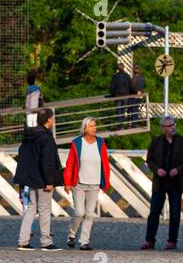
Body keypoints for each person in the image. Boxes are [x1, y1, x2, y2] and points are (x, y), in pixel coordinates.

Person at [13, 107, 63, 250]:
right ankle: (46, 242)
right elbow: (47, 161)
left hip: (29, 179)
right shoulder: (46, 138)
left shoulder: (28, 137)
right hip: (42, 180)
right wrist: (49, 181)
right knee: (45, 209)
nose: (53, 120)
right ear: (48, 120)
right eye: (52, 118)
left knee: (30, 209)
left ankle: (23, 241)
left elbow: (22, 160)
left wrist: (22, 185)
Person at [142, 116, 183, 251]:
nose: (173, 127)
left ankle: (172, 241)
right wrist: (157, 170)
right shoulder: (156, 142)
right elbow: (149, 160)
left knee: (175, 213)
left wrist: (178, 170)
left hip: (176, 182)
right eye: (169, 126)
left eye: (173, 124)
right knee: (154, 212)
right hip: (160, 182)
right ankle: (149, 240)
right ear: (163, 128)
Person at [63, 117, 111, 250]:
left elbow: (105, 164)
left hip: (94, 184)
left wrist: (106, 182)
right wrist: (67, 182)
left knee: (89, 214)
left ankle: (84, 241)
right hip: (78, 183)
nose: (94, 128)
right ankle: (72, 234)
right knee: (79, 212)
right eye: (91, 126)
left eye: (95, 126)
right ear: (85, 128)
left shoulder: (100, 143)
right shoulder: (77, 143)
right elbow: (70, 164)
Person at [110, 64, 133, 128]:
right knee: (123, 110)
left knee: (118, 110)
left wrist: (112, 94)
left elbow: (112, 87)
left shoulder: (115, 76)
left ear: (118, 69)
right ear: (124, 68)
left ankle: (119, 125)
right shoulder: (127, 76)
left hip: (118, 95)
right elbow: (130, 86)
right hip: (125, 95)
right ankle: (121, 124)